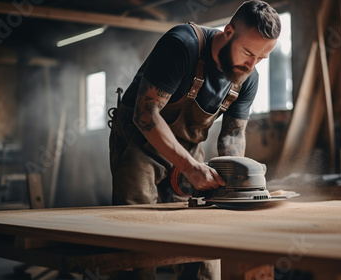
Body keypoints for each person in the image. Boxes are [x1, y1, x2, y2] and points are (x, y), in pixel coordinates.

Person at [109, 0, 280, 278]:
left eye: (261, 58)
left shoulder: (248, 78)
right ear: (228, 32)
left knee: (203, 252)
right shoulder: (182, 45)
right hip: (138, 147)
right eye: (248, 52)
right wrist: (189, 167)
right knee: (137, 246)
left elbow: (233, 134)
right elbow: (145, 114)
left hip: (189, 151)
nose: (251, 65)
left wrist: (240, 180)